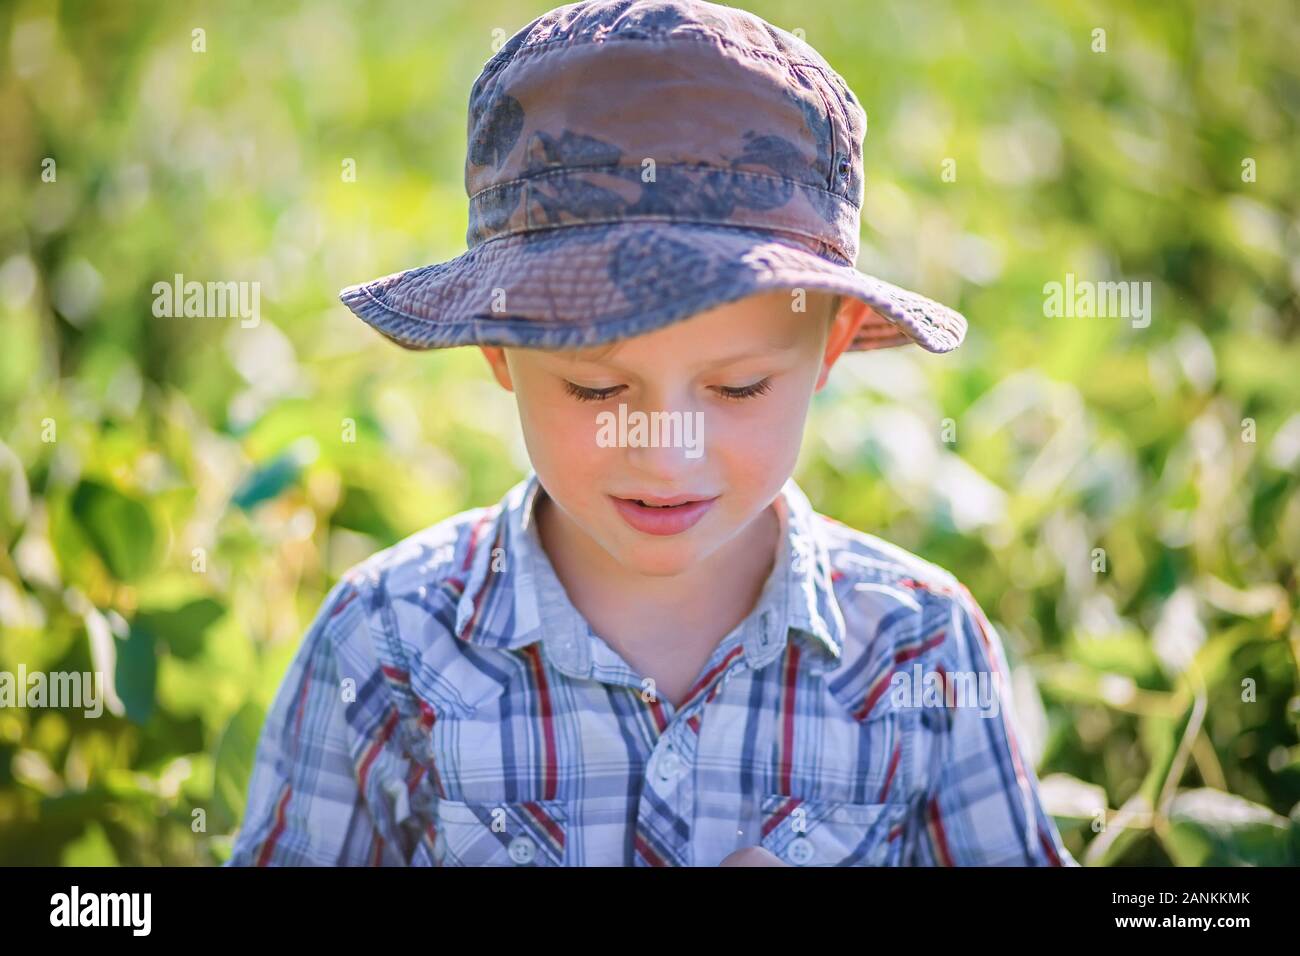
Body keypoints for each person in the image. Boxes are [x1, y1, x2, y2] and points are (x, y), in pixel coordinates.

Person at [228, 0, 1076, 867]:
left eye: (738, 387)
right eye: (596, 388)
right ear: (497, 345)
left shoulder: (918, 651)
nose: (667, 451)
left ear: (831, 344)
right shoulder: (387, 649)